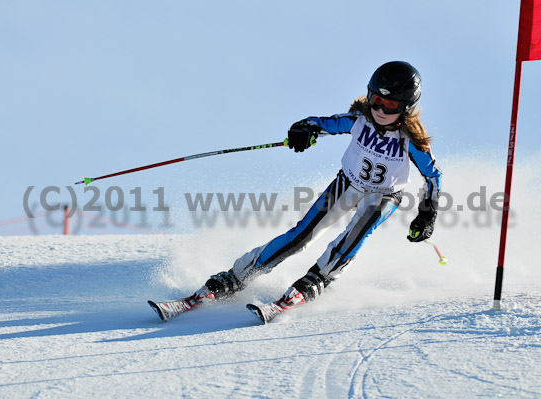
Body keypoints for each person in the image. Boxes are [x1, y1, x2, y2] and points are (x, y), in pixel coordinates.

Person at [150, 61, 442, 322]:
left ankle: (315, 280)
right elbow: (319, 124)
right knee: (301, 235)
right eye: (375, 100)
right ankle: (235, 277)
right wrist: (302, 131)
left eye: (389, 106)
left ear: (405, 107)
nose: (379, 110)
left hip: (384, 195)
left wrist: (426, 215)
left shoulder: (411, 141)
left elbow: (433, 178)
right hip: (348, 182)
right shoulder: (359, 119)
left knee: (351, 237)